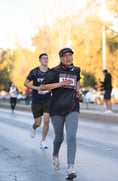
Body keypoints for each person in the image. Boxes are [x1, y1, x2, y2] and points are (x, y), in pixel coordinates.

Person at [40, 48, 81, 180]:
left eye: (70, 55)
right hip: (57, 108)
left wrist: (78, 92)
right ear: (61, 58)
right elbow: (42, 87)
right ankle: (55, 154)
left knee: (71, 137)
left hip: (72, 107)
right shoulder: (55, 71)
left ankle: (70, 168)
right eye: (65, 56)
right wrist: (60, 84)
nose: (68, 58)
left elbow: (77, 84)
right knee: (59, 137)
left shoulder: (77, 70)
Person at [24, 53, 51, 149]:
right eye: (44, 58)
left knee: (47, 119)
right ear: (40, 60)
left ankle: (43, 141)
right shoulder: (34, 72)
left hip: (48, 99)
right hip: (37, 100)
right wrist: (36, 88)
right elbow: (26, 83)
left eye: (47, 58)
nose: (45, 60)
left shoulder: (51, 72)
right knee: (38, 123)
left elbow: (55, 83)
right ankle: (34, 127)